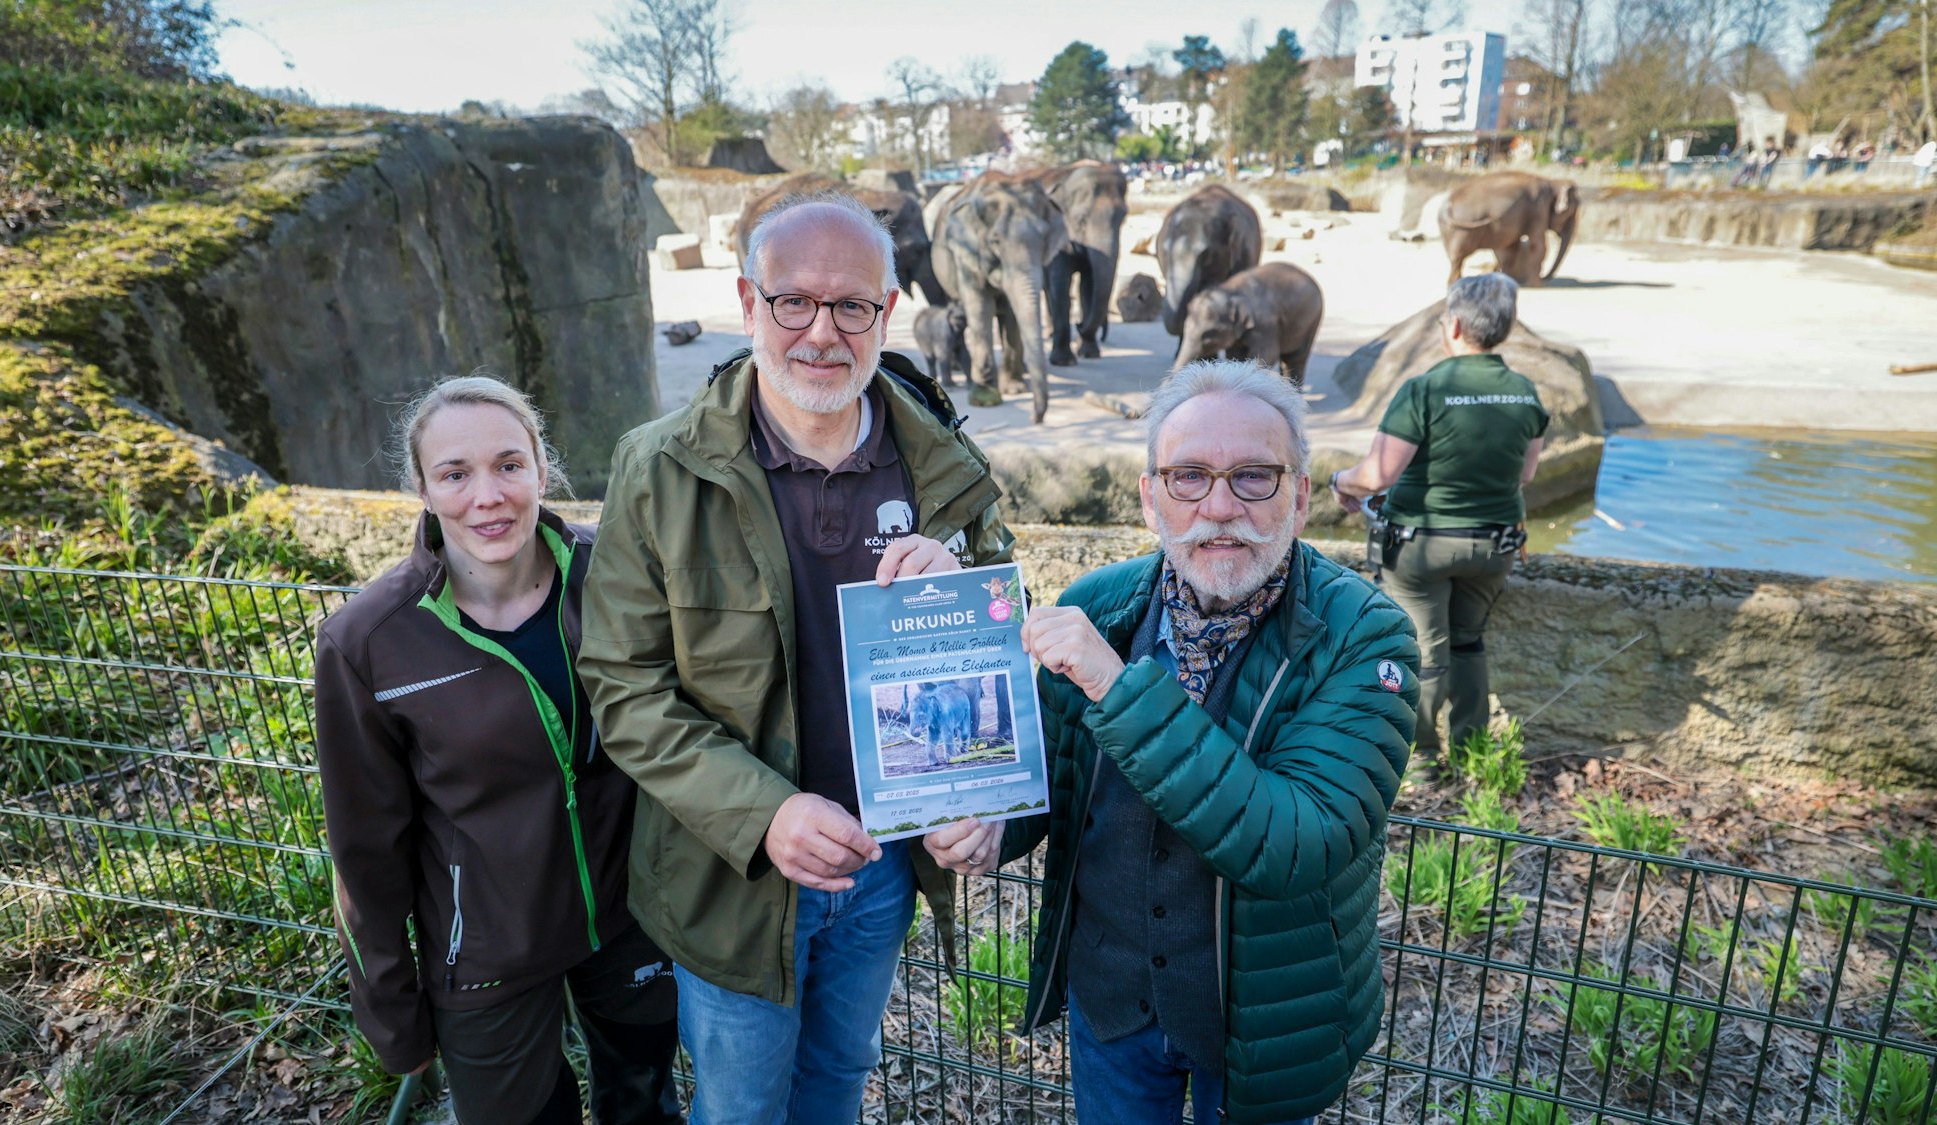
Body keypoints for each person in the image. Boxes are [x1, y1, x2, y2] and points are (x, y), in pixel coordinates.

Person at [578, 192, 1014, 1125]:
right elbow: (623, 687)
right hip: (730, 881)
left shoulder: (947, 472)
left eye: (851, 305)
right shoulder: (658, 469)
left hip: (883, 866)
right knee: (740, 1107)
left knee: (837, 1086)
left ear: (885, 313)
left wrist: (976, 796)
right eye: (794, 302)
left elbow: (995, 659)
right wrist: (766, 813)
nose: (823, 331)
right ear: (748, 303)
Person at [925, 360, 1419, 1125]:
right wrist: (992, 828)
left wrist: (1118, 687)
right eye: (1189, 476)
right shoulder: (1101, 605)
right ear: (1151, 497)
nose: (1219, 506)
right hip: (1113, 1004)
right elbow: (1052, 784)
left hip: (1262, 1021)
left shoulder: (1366, 636)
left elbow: (1295, 840)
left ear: (1302, 495)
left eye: (1254, 476)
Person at [314, 375, 682, 1125]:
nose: (488, 495)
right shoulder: (368, 642)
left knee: (643, 1105)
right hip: (483, 953)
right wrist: (392, 1013)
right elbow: (364, 850)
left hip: (629, 913)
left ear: (542, 469)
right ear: (421, 487)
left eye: (510, 465)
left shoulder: (615, 572)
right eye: (455, 473)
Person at [1329, 274, 1548, 771]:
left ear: (1452, 325)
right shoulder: (1524, 393)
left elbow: (1379, 474)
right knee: (1469, 641)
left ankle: (1421, 760)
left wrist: (1341, 482)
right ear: (1505, 329)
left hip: (1421, 548)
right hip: (1496, 545)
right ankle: (1473, 754)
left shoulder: (1426, 389)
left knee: (1424, 651)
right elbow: (1526, 474)